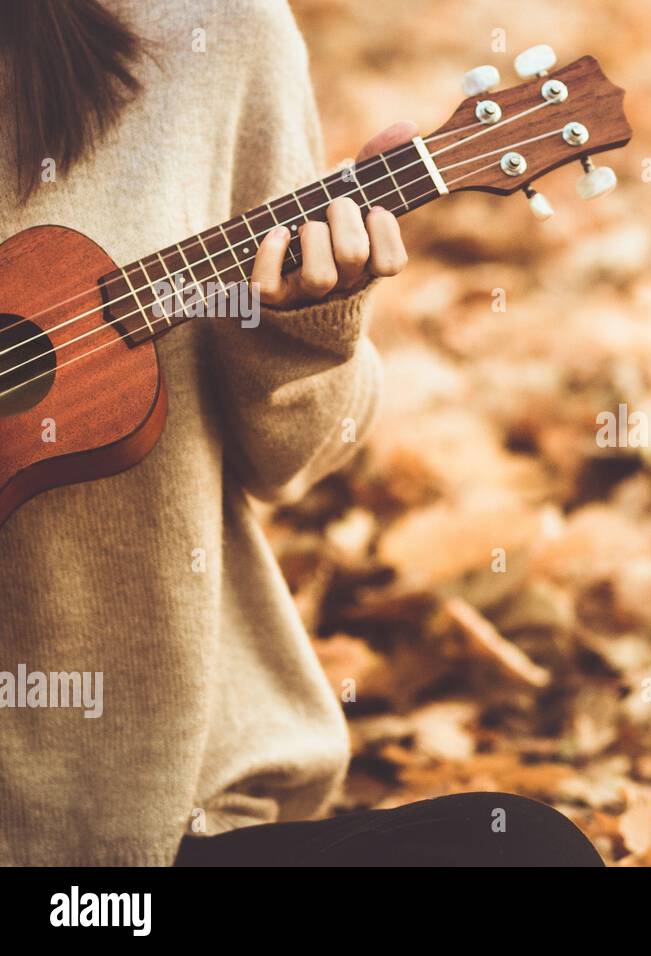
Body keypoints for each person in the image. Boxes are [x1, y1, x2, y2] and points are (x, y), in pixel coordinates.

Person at [0, 0, 601, 867]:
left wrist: (306, 330)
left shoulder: (216, 34)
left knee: (523, 854)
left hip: (161, 827)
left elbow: (296, 462)